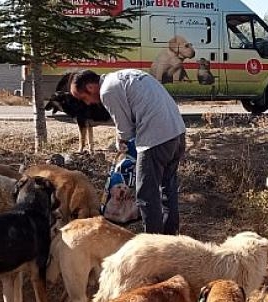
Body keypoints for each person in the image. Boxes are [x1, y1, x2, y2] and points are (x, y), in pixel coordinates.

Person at [70, 69, 186, 235]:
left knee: (146, 195)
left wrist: (120, 145)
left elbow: (125, 131)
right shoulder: (126, 75)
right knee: (167, 190)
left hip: (156, 139)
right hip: (177, 133)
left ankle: (153, 246)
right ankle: (171, 239)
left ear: (90, 87)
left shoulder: (107, 90)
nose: (87, 103)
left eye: (83, 98)